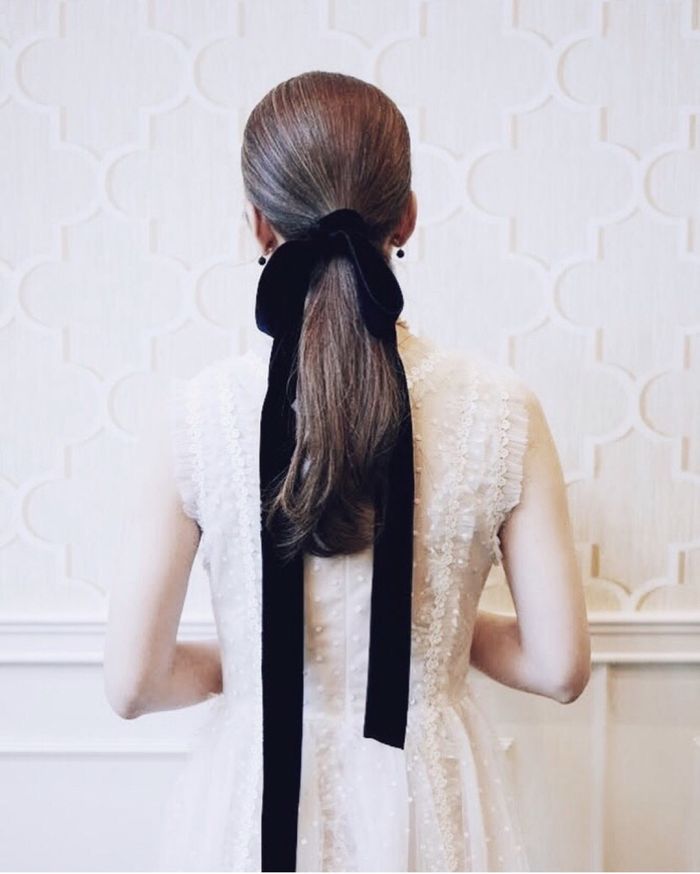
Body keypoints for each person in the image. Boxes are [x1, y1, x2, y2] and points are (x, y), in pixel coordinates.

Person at [103, 71, 590, 872]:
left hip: (254, 800)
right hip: (426, 797)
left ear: (259, 224)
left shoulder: (195, 414)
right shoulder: (503, 407)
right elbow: (560, 668)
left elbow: (133, 684)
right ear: (406, 216)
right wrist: (439, 635)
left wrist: (249, 660)